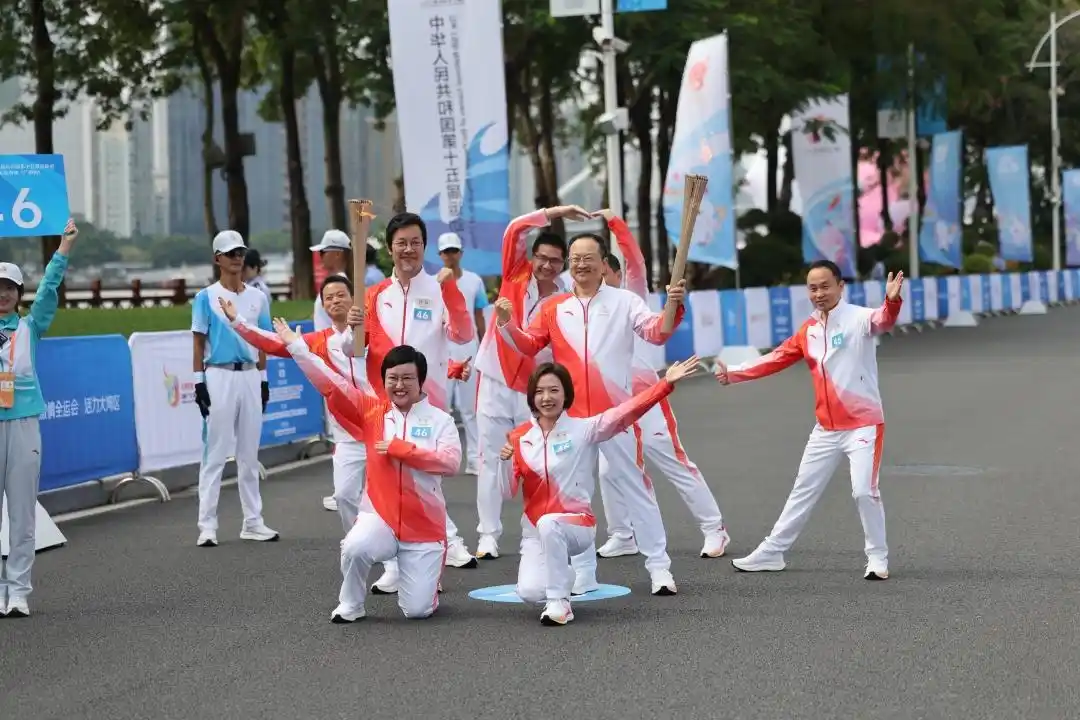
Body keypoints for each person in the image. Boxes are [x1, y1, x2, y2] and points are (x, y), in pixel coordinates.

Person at [493, 214, 688, 596]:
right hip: (571, 419)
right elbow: (530, 344)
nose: (581, 264)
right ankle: (584, 572)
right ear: (569, 263)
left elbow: (656, 330)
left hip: (615, 414)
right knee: (573, 494)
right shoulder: (554, 307)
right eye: (575, 258)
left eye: (589, 258)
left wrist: (673, 307)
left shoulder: (624, 301)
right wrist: (505, 324)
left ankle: (659, 568)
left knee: (637, 488)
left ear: (603, 264)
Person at [222, 275, 471, 532]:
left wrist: (450, 368)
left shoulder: (374, 333)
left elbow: (407, 361)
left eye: (341, 295)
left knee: (410, 490)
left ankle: (446, 540)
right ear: (323, 305)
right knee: (343, 496)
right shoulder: (317, 342)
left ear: (353, 300)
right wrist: (237, 322)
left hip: (382, 427)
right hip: (347, 432)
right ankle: (361, 541)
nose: (336, 301)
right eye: (329, 297)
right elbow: (273, 343)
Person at [714, 260, 904, 580]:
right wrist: (734, 374)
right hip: (826, 429)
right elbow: (776, 358)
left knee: (863, 491)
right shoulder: (809, 330)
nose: (819, 293)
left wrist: (892, 301)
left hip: (862, 424)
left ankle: (877, 557)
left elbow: (884, 320)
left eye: (825, 286)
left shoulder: (859, 319)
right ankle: (773, 552)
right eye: (813, 288)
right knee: (802, 491)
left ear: (840, 287)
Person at [497, 356, 703, 626]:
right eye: (540, 391)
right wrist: (503, 463)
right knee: (529, 592)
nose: (546, 397)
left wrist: (664, 385)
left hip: (577, 526)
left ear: (566, 394)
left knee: (550, 525)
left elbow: (626, 411)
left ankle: (560, 603)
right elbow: (506, 492)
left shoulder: (583, 430)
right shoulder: (520, 436)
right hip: (535, 532)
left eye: (554, 390)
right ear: (531, 396)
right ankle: (564, 577)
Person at [275, 329, 461, 622]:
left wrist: (404, 450)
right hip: (381, 518)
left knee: (417, 611)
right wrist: (298, 348)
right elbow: (331, 383)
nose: (399, 385)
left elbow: (451, 464)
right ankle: (351, 604)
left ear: (420, 380)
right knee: (355, 545)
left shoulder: (441, 421)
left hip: (423, 527)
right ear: (384, 380)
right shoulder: (372, 411)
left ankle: (425, 581)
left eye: (407, 378)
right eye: (392, 378)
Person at [341, 211, 478, 593]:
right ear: (390, 248)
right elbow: (352, 350)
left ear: (424, 247)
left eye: (415, 242)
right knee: (385, 483)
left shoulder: (437, 290)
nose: (408, 250)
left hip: (427, 403)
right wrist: (351, 328)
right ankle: (397, 562)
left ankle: (433, 551)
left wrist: (450, 292)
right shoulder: (372, 296)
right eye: (401, 243)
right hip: (382, 406)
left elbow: (464, 334)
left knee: (424, 483)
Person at [599, 214, 731, 559]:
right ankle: (623, 534)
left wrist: (617, 224)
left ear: (614, 272)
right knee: (609, 469)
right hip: (611, 401)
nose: (597, 277)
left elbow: (637, 262)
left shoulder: (632, 296)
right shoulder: (587, 308)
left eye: (603, 270)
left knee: (671, 460)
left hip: (647, 396)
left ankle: (714, 528)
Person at [472, 206, 583, 562]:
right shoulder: (515, 273)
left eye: (555, 261)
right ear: (532, 257)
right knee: (490, 459)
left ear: (563, 264)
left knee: (538, 461)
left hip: (534, 392)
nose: (547, 265)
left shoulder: (567, 298)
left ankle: (539, 529)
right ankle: (488, 534)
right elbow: (515, 228)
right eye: (542, 258)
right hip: (494, 379)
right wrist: (558, 212)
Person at [0, 218, 77, 618]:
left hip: (24, 422)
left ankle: (18, 591)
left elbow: (49, 290)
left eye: (9, 289)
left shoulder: (30, 327)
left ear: (18, 294)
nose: (3, 295)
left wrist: (63, 248)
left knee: (22, 512)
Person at [191, 230, 279, 548]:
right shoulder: (205, 298)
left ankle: (253, 522)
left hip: (250, 376)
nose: (237, 258)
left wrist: (264, 379)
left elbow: (265, 341)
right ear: (217, 259)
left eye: (240, 252)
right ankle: (207, 525)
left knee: (248, 453)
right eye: (230, 253)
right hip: (219, 375)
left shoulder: (258, 298)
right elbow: (198, 342)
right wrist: (199, 383)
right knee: (215, 452)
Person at [437, 231, 488, 476]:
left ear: (460, 253)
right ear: (440, 255)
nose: (450, 256)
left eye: (453, 251)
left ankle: (475, 459)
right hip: (443, 350)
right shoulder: (433, 282)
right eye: (446, 252)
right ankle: (438, 456)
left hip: (469, 349)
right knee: (441, 407)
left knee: (470, 408)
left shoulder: (474, 281)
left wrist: (485, 347)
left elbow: (479, 316)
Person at [309, 228, 352, 513]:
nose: (321, 257)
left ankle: (345, 490)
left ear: (337, 253)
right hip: (330, 364)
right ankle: (345, 488)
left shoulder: (340, 291)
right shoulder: (337, 287)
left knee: (342, 431)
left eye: (325, 252)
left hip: (337, 367)